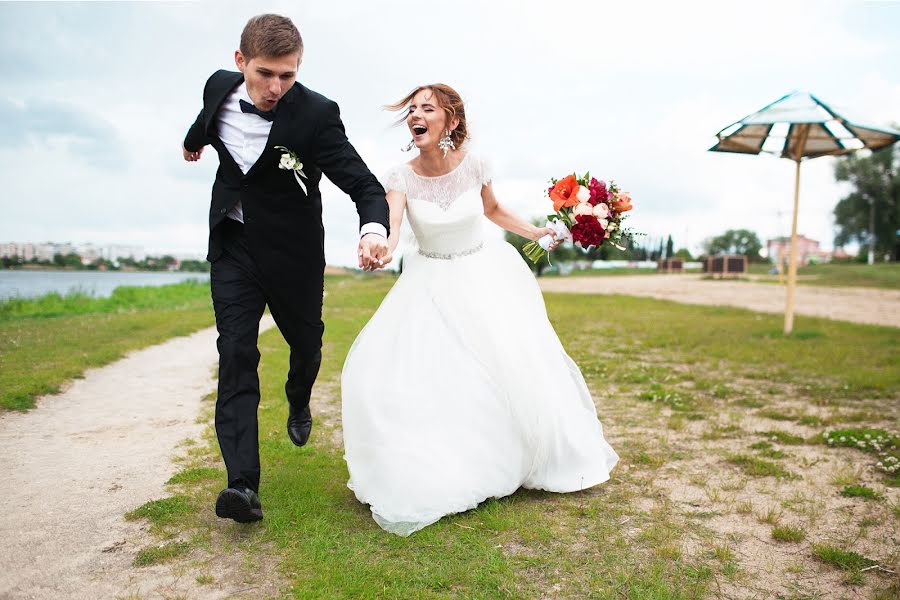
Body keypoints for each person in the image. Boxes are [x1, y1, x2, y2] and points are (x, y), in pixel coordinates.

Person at [341, 84, 619, 536]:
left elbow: (493, 210)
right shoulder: (400, 177)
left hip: (485, 275)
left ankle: (521, 456)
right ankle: (450, 462)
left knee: (508, 369)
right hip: (427, 283)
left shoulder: (476, 165)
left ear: (450, 120)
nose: (417, 115)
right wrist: (375, 246)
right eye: (412, 110)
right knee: (429, 376)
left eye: (427, 108)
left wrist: (537, 232)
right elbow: (391, 234)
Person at [182, 14, 390, 523]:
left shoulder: (317, 115)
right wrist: (193, 142)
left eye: (288, 76)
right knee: (235, 352)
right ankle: (242, 486)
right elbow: (206, 117)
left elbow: (363, 184)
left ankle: (299, 400)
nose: (276, 87)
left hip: (294, 256)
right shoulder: (218, 86)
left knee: (307, 344)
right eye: (265, 74)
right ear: (240, 63)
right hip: (234, 247)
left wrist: (373, 230)